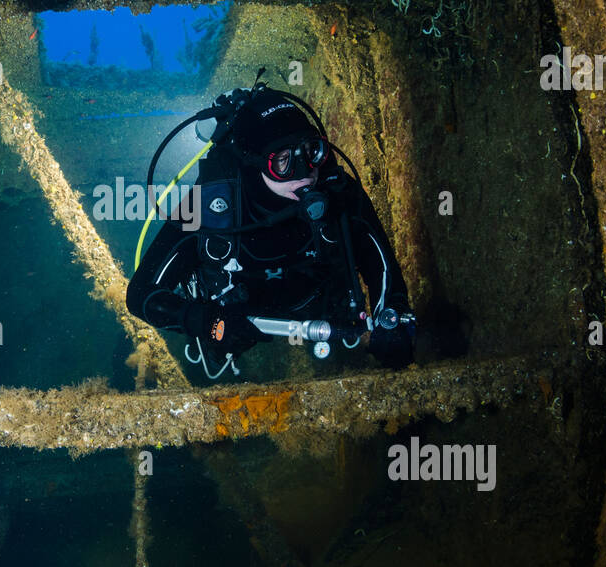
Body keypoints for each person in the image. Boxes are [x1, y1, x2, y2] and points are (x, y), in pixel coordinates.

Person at [126, 82, 415, 379]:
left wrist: (392, 317)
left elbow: (378, 261)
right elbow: (141, 294)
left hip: (321, 311)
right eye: (283, 161)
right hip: (235, 318)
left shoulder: (338, 192)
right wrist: (208, 323)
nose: (305, 172)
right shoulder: (208, 206)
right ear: (253, 163)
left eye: (310, 151)